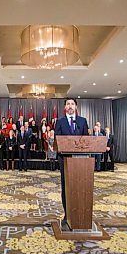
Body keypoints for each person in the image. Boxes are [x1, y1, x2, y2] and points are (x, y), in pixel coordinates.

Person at [54, 98, 89, 229]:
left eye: (72, 104)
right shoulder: (60, 122)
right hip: (65, 161)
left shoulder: (82, 121)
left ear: (76, 107)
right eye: (68, 104)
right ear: (65, 107)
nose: (70, 106)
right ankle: (67, 214)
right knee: (67, 187)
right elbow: (57, 142)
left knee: (81, 187)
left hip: (81, 162)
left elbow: (87, 141)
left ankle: (81, 213)